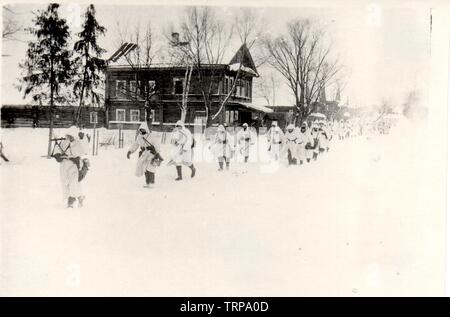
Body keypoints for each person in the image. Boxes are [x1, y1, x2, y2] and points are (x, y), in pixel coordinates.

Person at [53, 126, 87, 208]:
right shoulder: (65, 142)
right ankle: (80, 197)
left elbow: (84, 150)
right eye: (68, 136)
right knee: (65, 183)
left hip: (74, 165)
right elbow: (58, 148)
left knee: (73, 182)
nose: (69, 137)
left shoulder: (79, 143)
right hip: (64, 165)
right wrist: (57, 155)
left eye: (71, 136)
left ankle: (71, 201)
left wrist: (83, 139)